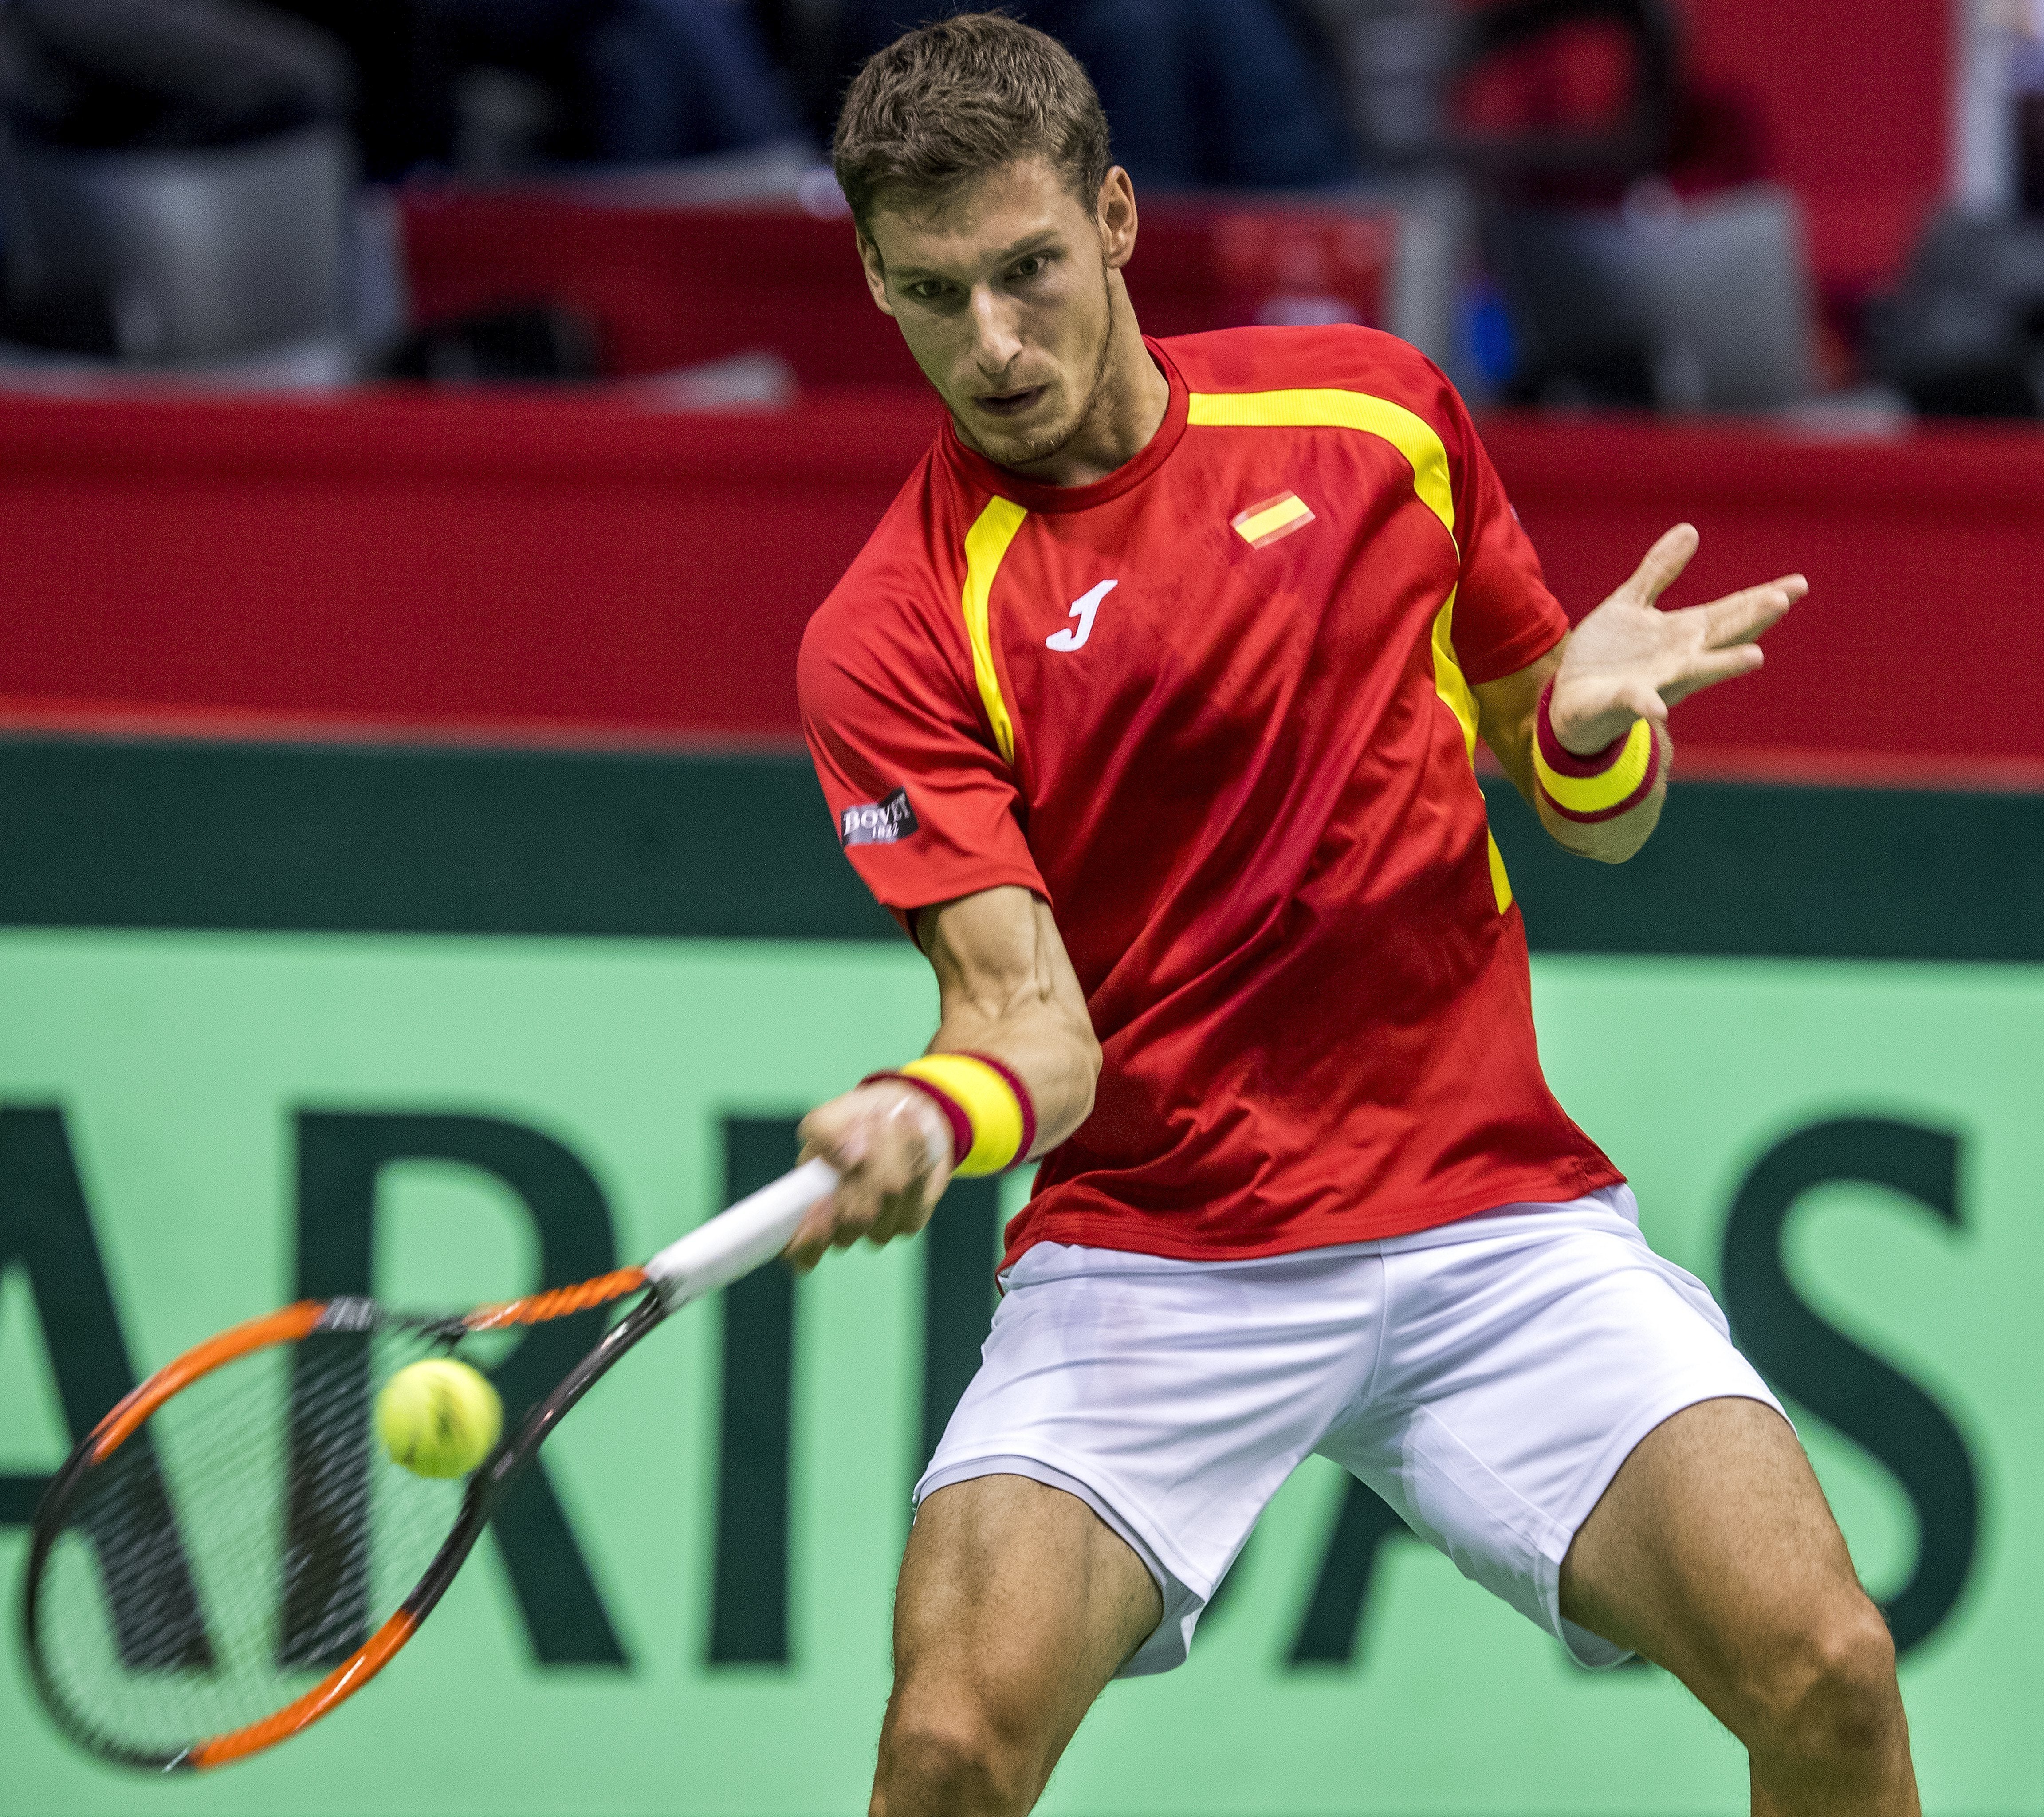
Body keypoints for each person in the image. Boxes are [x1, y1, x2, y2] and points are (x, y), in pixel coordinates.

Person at [788, 16, 1917, 1815]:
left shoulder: (1374, 412)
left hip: (1488, 1222)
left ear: (1120, 220)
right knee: (946, 1751)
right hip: (1154, 1260)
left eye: (1029, 272)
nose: (993, 345)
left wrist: (1581, 740)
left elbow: (1586, 812)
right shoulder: (896, 631)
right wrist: (930, 1106)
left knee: (1833, 1673)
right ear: (870, 275)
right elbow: (1034, 1036)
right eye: (935, 295)